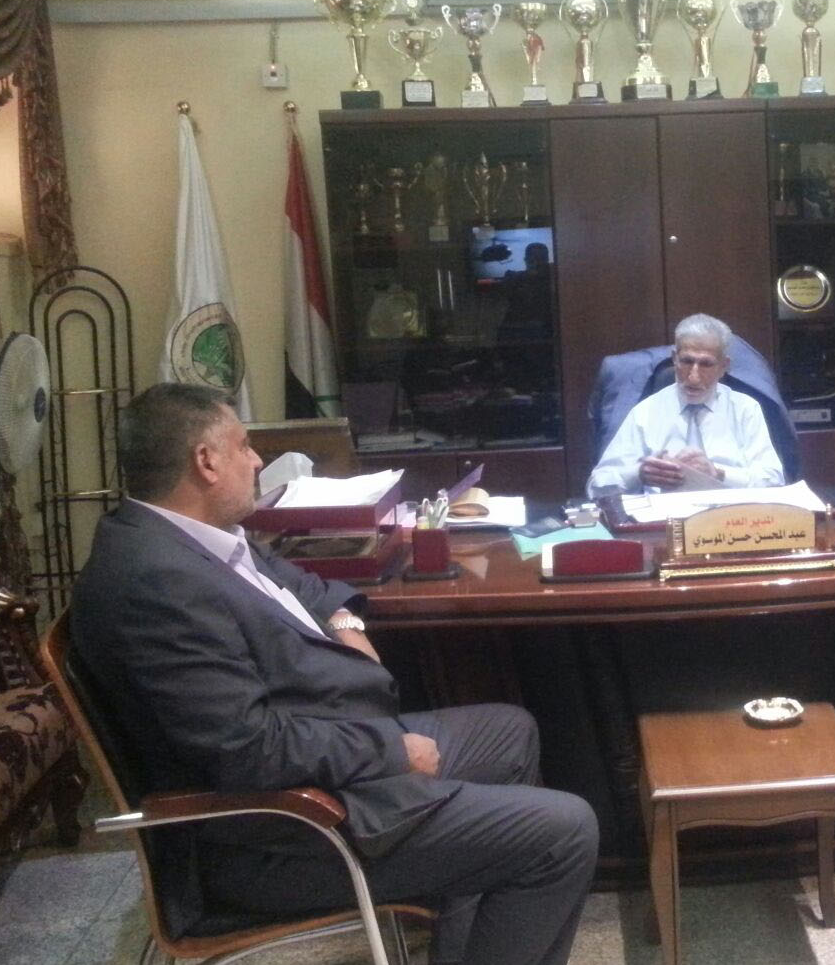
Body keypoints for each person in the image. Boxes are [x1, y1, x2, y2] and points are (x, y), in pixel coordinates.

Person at [71, 383, 597, 965]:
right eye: (244, 446)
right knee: (564, 832)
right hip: (281, 834)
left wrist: (346, 621)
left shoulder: (194, 539)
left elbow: (301, 584)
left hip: (326, 758)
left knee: (510, 731)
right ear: (206, 461)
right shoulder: (155, 584)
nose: (257, 461)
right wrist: (390, 751)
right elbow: (246, 749)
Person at [587, 312, 785, 496]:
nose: (693, 377)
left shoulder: (745, 409)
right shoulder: (645, 412)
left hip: (728, 516)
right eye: (687, 361)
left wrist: (718, 473)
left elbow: (774, 481)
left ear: (724, 366)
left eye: (706, 364)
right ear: (675, 359)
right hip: (663, 517)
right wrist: (638, 473)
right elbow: (596, 486)